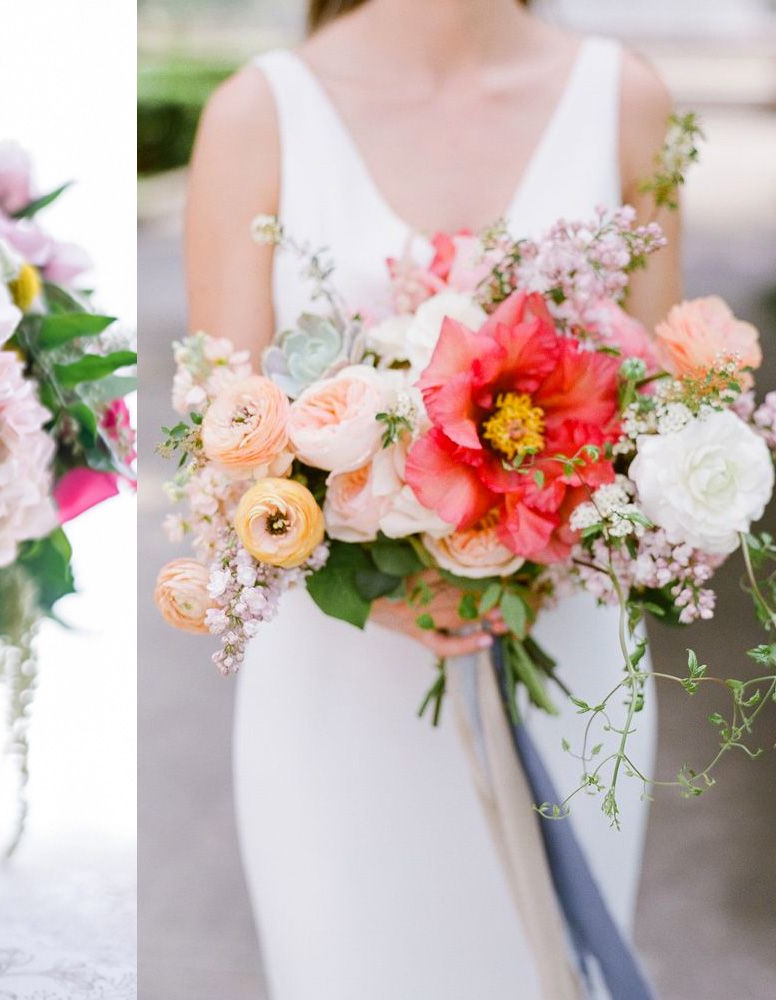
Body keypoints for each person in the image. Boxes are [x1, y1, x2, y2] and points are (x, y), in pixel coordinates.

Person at [180, 0, 679, 996]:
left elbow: (662, 420)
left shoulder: (624, 100)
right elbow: (215, 451)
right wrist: (379, 581)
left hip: (569, 659)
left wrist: (540, 539)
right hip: (336, 696)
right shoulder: (256, 116)